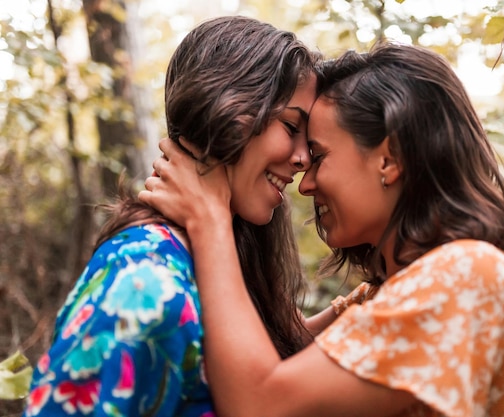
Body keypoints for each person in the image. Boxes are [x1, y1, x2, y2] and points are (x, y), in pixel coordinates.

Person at [140, 41, 504, 417]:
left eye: (319, 156)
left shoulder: (468, 276)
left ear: (390, 159)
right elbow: (276, 348)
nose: (306, 183)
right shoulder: (386, 295)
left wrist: (208, 220)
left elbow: (261, 404)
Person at [22, 15, 326, 416]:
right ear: (230, 106)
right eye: (291, 127)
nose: (304, 159)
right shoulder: (145, 281)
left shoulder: (223, 250)